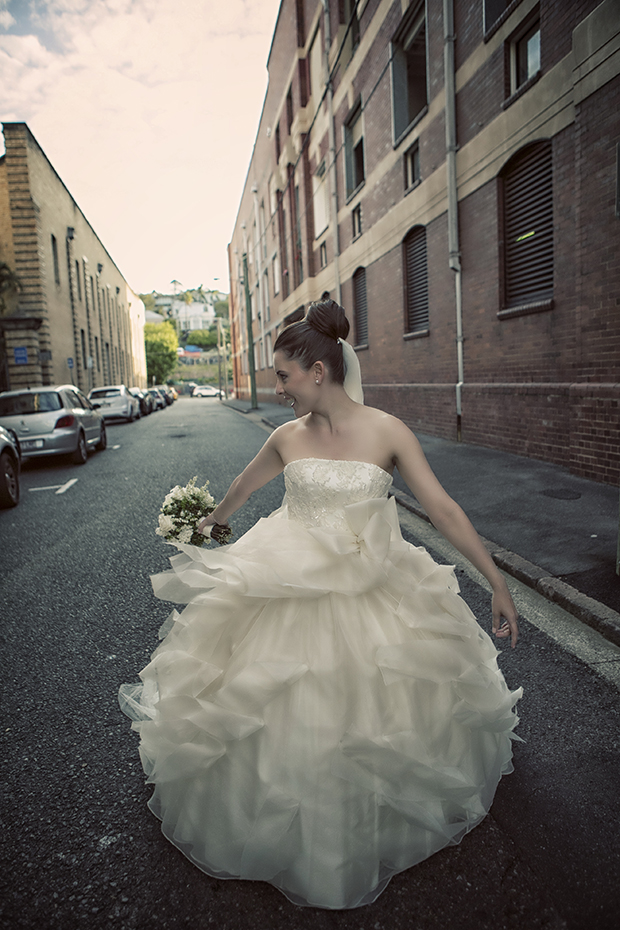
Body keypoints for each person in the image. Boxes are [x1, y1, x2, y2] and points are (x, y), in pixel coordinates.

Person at [119, 299, 521, 910]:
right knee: (271, 697)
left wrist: (496, 581)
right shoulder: (284, 438)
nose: (277, 388)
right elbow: (237, 495)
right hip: (288, 579)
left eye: (283, 375)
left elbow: (442, 509)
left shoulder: (388, 431)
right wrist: (200, 525)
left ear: (318, 371)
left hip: (374, 582)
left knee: (377, 695)